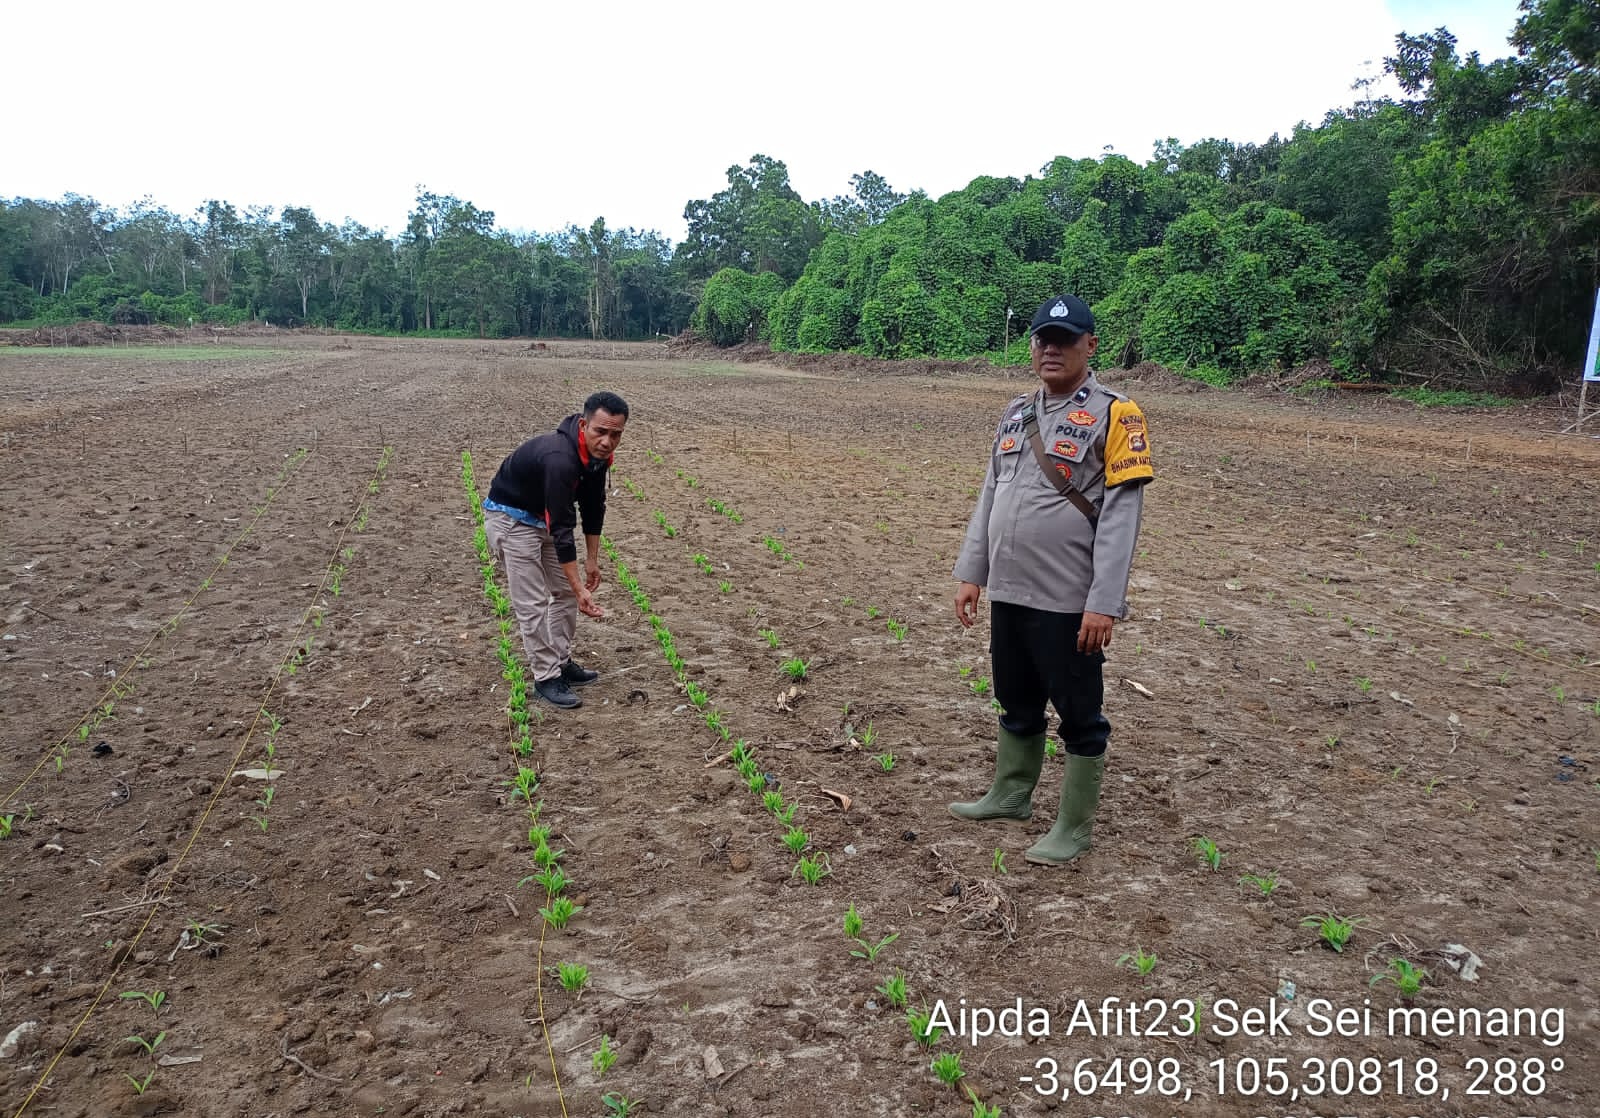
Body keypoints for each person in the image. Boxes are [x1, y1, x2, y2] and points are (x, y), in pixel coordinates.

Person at [950, 294, 1153, 865]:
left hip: (1069, 598)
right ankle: (1011, 794)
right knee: (1014, 697)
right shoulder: (1016, 412)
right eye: (1043, 339)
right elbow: (992, 492)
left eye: (1064, 340)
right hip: (1010, 589)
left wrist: (1103, 603)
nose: (1051, 349)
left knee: (1078, 711)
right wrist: (972, 571)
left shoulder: (1119, 415)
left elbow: (1120, 517)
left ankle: (1073, 825)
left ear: (1090, 346)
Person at [482, 391, 628, 709]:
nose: (607, 441)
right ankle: (545, 677)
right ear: (583, 424)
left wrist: (591, 561)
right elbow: (562, 527)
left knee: (562, 593)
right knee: (532, 602)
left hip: (541, 518)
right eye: (600, 431)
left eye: (615, 434)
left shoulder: (598, 458)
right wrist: (580, 589)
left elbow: (593, 506)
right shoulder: (559, 458)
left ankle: (560, 662)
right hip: (511, 519)